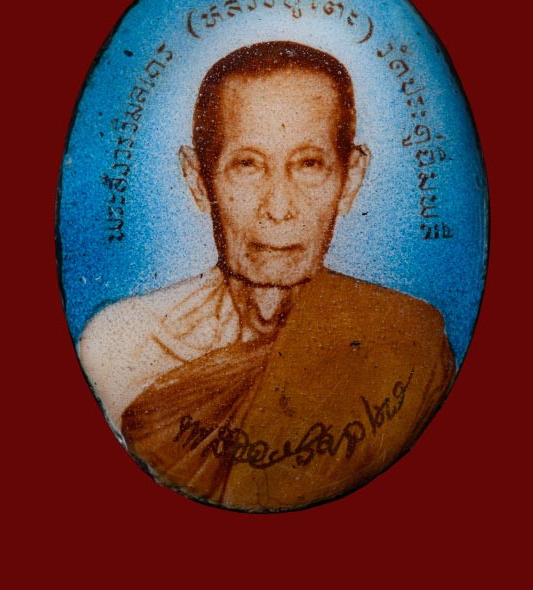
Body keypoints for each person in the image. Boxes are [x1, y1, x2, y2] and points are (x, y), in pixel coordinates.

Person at [80, 41, 455, 511]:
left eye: (309, 164)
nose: (278, 208)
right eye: (248, 165)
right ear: (199, 181)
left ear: (350, 179)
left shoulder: (408, 341)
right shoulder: (122, 347)